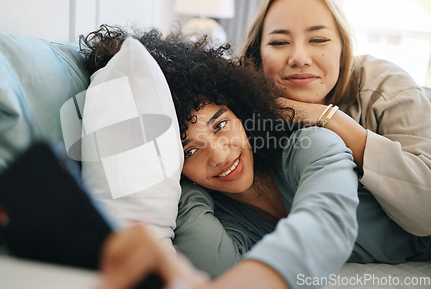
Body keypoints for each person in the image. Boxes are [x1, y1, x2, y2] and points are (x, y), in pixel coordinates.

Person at [80, 25, 431, 289]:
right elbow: (218, 268)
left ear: (243, 113)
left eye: (220, 125)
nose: (219, 155)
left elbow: (328, 220)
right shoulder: (223, 213)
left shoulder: (309, 146)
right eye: (189, 150)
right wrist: (181, 190)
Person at [242, 0, 431, 237]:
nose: (299, 58)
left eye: (318, 40)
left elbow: (426, 212)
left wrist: (328, 118)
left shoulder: (386, 86)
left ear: (343, 51)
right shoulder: (239, 118)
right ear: (257, 57)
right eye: (279, 42)